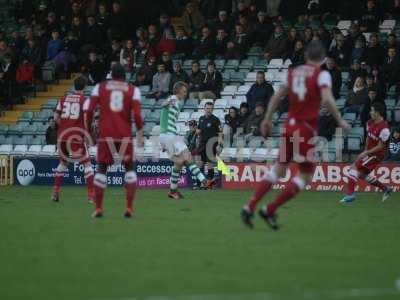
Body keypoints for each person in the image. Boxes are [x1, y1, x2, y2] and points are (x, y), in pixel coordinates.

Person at [241, 41, 350, 230]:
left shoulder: (293, 72)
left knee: (278, 169)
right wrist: (339, 119)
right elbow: (326, 98)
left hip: (288, 127)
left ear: (306, 56)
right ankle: (270, 209)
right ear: (323, 59)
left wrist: (267, 118)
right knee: (306, 176)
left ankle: (249, 206)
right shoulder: (322, 74)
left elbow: (277, 96)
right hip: (305, 129)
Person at [84, 63, 144, 218]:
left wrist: (88, 130)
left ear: (111, 75)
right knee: (129, 168)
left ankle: (98, 208)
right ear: (125, 76)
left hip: (105, 135)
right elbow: (137, 115)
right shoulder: (133, 90)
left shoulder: (100, 87)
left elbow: (89, 110)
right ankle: (129, 208)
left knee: (102, 169)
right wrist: (140, 132)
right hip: (124, 135)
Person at [159, 82, 213, 200]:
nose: (186, 92)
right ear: (178, 91)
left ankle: (173, 191)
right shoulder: (173, 99)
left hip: (166, 136)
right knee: (187, 156)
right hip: (170, 135)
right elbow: (164, 104)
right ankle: (204, 181)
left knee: (178, 163)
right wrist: (166, 103)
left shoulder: (177, 102)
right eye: (184, 90)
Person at [52, 76, 94, 203]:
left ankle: (55, 192)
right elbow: (87, 119)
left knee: (63, 163)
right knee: (87, 165)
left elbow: (55, 117)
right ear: (85, 87)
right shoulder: (84, 100)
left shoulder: (63, 98)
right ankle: (91, 196)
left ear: (74, 86)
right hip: (75, 136)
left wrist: (64, 126)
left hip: (62, 137)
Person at [341, 102, 393, 203]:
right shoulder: (369, 122)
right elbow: (368, 137)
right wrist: (365, 150)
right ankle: (385, 189)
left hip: (376, 155)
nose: (370, 112)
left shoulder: (385, 129)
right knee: (361, 175)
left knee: (353, 168)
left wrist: (366, 152)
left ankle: (350, 194)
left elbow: (380, 146)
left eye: (372, 110)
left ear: (378, 112)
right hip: (369, 153)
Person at [197, 101, 223, 184]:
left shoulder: (215, 120)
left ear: (213, 110)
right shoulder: (201, 118)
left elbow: (220, 133)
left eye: (210, 109)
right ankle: (200, 181)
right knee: (201, 162)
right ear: (204, 109)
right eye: (207, 108)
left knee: (210, 162)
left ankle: (209, 181)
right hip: (202, 143)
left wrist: (219, 145)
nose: (209, 110)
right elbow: (199, 130)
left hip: (211, 143)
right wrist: (198, 132)